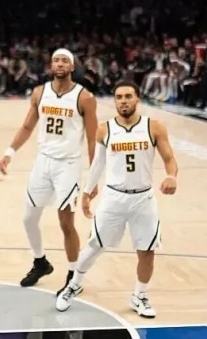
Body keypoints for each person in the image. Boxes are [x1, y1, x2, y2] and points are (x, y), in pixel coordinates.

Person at [56, 81, 177, 317]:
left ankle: (139, 296)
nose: (123, 101)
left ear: (138, 99)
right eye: (119, 97)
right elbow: (98, 164)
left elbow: (169, 158)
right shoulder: (105, 129)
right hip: (114, 197)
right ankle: (74, 284)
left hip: (143, 198)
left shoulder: (154, 127)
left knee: (147, 251)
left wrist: (171, 176)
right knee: (95, 245)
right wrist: (87, 193)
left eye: (128, 96)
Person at [0, 48, 98, 294]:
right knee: (28, 218)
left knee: (66, 223)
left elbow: (92, 139)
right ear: (51, 66)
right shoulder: (39, 93)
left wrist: (94, 177)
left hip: (68, 165)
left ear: (72, 67)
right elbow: (27, 126)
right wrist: (10, 152)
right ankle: (40, 262)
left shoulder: (85, 97)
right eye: (56, 60)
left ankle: (74, 275)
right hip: (43, 162)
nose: (60, 64)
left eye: (64, 61)